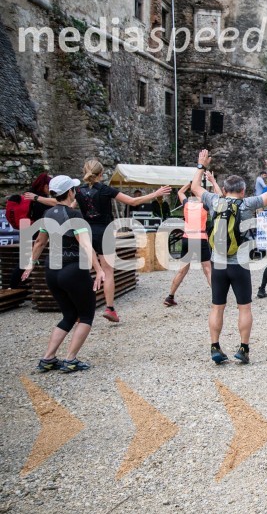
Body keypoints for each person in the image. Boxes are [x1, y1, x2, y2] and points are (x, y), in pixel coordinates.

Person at [189, 149, 267, 365]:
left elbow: (194, 187)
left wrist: (201, 166)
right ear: (242, 190)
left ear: (225, 190)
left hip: (218, 264)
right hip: (240, 264)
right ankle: (243, 348)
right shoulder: (247, 204)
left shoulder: (215, 201)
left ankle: (215, 347)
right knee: (244, 307)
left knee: (217, 306)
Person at [22, 175, 105, 372]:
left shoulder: (48, 213)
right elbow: (85, 244)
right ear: (70, 192)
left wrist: (30, 264)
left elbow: (40, 242)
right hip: (73, 270)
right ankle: (70, 359)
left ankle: (48, 358)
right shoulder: (75, 215)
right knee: (86, 315)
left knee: (68, 315)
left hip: (51, 270)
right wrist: (99, 269)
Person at [77, 159, 171, 323]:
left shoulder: (78, 191)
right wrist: (155, 194)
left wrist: (38, 199)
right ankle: (110, 308)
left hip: (86, 232)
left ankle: (80, 310)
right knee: (107, 271)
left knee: (84, 271)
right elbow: (132, 201)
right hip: (104, 232)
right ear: (101, 173)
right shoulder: (105, 190)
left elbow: (66, 204)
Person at [163, 182, 214, 307]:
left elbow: (180, 192)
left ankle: (170, 297)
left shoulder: (187, 204)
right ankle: (217, 298)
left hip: (187, 238)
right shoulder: (205, 205)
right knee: (208, 270)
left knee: (182, 271)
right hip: (200, 238)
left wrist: (189, 183)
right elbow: (215, 195)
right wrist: (211, 182)